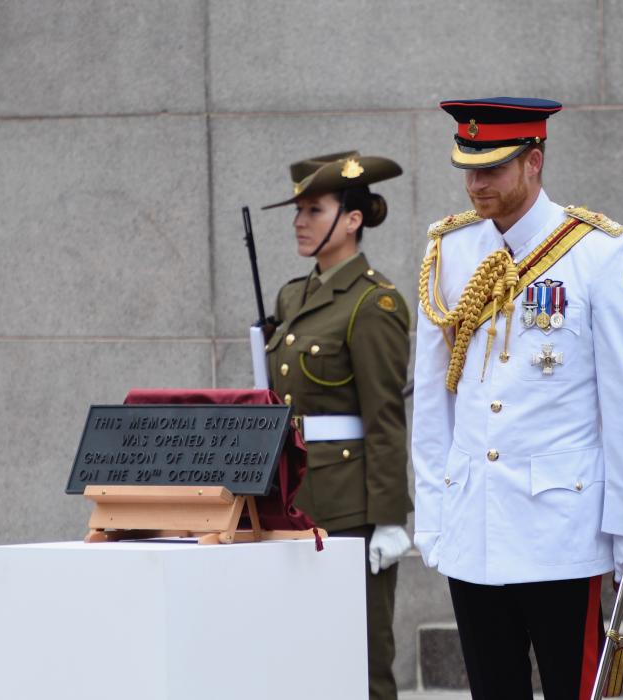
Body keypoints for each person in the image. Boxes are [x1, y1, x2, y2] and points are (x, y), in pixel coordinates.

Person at [412, 97, 623, 700]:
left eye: (491, 168)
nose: (475, 183)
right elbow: (435, 401)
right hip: (474, 526)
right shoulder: (449, 251)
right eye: (468, 168)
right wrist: (434, 514)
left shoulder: (598, 253)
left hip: (561, 532)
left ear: (533, 162)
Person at [261, 152, 413, 700]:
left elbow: (385, 417)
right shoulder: (292, 296)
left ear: (352, 219)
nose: (299, 221)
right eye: (298, 209)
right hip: (288, 498)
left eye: (314, 208)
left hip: (348, 508)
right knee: (298, 656)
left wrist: (389, 517)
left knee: (361, 660)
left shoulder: (374, 303)